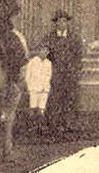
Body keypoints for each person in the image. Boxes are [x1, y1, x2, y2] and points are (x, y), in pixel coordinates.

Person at [43, 10, 82, 139]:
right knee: (55, 99)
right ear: (55, 23)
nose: (62, 24)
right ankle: (53, 126)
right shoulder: (50, 38)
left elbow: (78, 56)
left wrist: (75, 71)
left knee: (70, 99)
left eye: (64, 21)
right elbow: (45, 54)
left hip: (71, 74)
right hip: (56, 74)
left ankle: (69, 126)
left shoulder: (74, 38)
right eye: (59, 21)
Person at [25, 44, 52, 134]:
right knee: (33, 108)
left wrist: (46, 87)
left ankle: (40, 127)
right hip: (34, 88)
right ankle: (31, 126)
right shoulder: (33, 62)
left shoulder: (48, 63)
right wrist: (30, 87)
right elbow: (28, 76)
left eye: (46, 51)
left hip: (44, 89)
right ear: (39, 51)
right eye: (43, 50)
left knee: (42, 109)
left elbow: (48, 76)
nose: (44, 53)